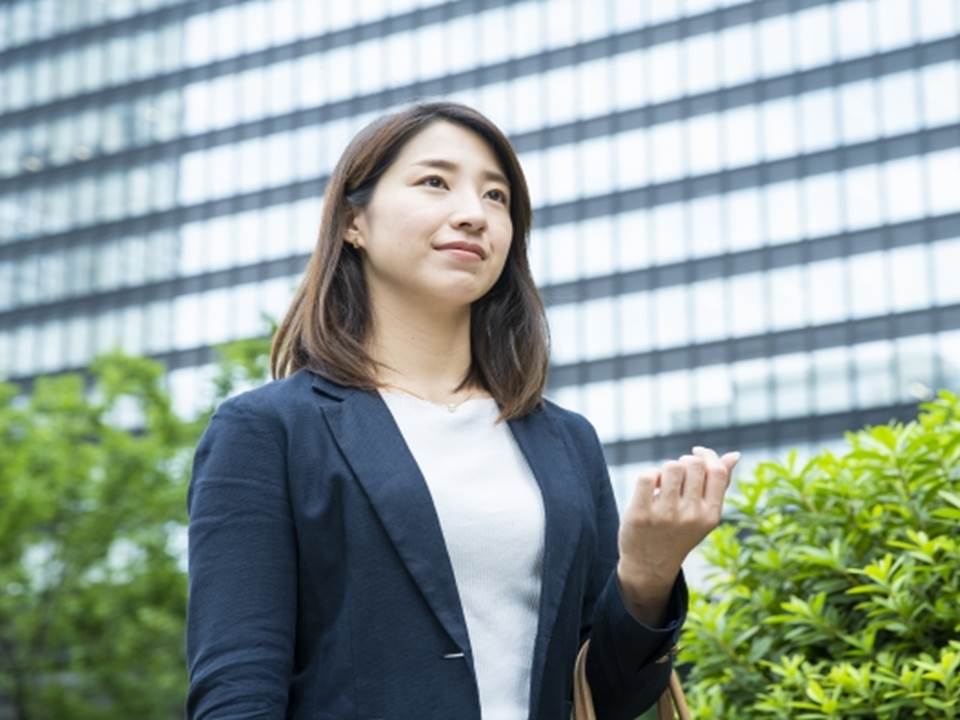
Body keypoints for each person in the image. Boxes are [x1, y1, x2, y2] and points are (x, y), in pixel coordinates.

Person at [185, 101, 740, 720]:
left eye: (496, 196)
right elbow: (237, 692)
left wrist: (647, 572)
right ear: (353, 222)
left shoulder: (564, 441)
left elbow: (609, 699)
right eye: (434, 182)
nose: (474, 214)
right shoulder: (269, 432)